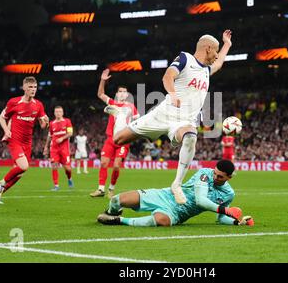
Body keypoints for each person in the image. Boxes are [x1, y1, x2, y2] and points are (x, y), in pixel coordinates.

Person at [104, 30, 233, 204]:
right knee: (118, 139)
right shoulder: (185, 58)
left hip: (184, 122)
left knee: (190, 136)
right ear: (208, 48)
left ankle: (176, 184)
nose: (217, 56)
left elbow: (220, 63)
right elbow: (168, 76)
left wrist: (227, 45)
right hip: (163, 114)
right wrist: (172, 93)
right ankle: (120, 115)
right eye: (216, 51)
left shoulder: (206, 71)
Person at [97, 160, 254, 227]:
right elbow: (200, 200)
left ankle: (119, 220)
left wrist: (236, 222)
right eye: (215, 173)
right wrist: (226, 210)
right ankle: (110, 212)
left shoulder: (229, 194)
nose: (215, 177)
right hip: (167, 195)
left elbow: (220, 218)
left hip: (178, 212)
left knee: (162, 221)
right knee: (119, 199)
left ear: (229, 177)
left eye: (220, 176)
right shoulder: (205, 173)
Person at [0, 76, 48, 204]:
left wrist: (46, 123)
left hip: (28, 142)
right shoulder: (14, 102)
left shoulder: (38, 105)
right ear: (24, 88)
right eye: (30, 87)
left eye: (35, 87)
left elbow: (42, 125)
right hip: (15, 140)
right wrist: (6, 130)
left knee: (20, 173)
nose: (33, 90)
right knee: (24, 166)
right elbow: (1, 117)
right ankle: (1, 183)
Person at [91, 69, 139, 198]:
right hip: (111, 139)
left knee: (117, 166)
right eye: (120, 91)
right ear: (117, 94)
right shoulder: (112, 103)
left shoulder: (131, 107)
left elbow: (137, 123)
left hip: (123, 140)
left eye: (124, 92)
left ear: (127, 94)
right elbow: (100, 94)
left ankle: (111, 188)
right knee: (103, 163)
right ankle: (101, 189)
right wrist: (103, 80)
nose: (122, 93)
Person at [43, 106, 73, 191]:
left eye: (60, 111)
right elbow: (49, 136)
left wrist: (62, 138)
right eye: (56, 112)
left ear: (62, 113)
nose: (58, 113)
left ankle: (69, 179)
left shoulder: (67, 121)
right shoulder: (52, 123)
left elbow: (70, 133)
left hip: (64, 148)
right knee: (54, 166)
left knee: (67, 168)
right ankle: (56, 185)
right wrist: (46, 147)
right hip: (54, 148)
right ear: (54, 113)